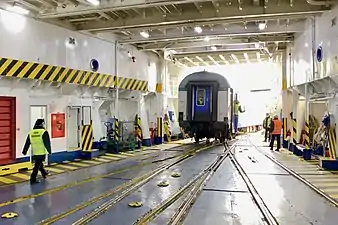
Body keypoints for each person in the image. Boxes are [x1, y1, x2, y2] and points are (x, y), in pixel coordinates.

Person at [22, 119, 51, 184]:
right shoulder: (44, 132)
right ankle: (33, 178)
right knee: (37, 165)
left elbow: (27, 143)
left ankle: (44, 173)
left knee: (39, 163)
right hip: (41, 152)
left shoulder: (31, 132)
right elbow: (47, 143)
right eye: (43, 123)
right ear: (41, 124)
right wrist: (49, 151)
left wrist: (24, 151)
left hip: (35, 152)